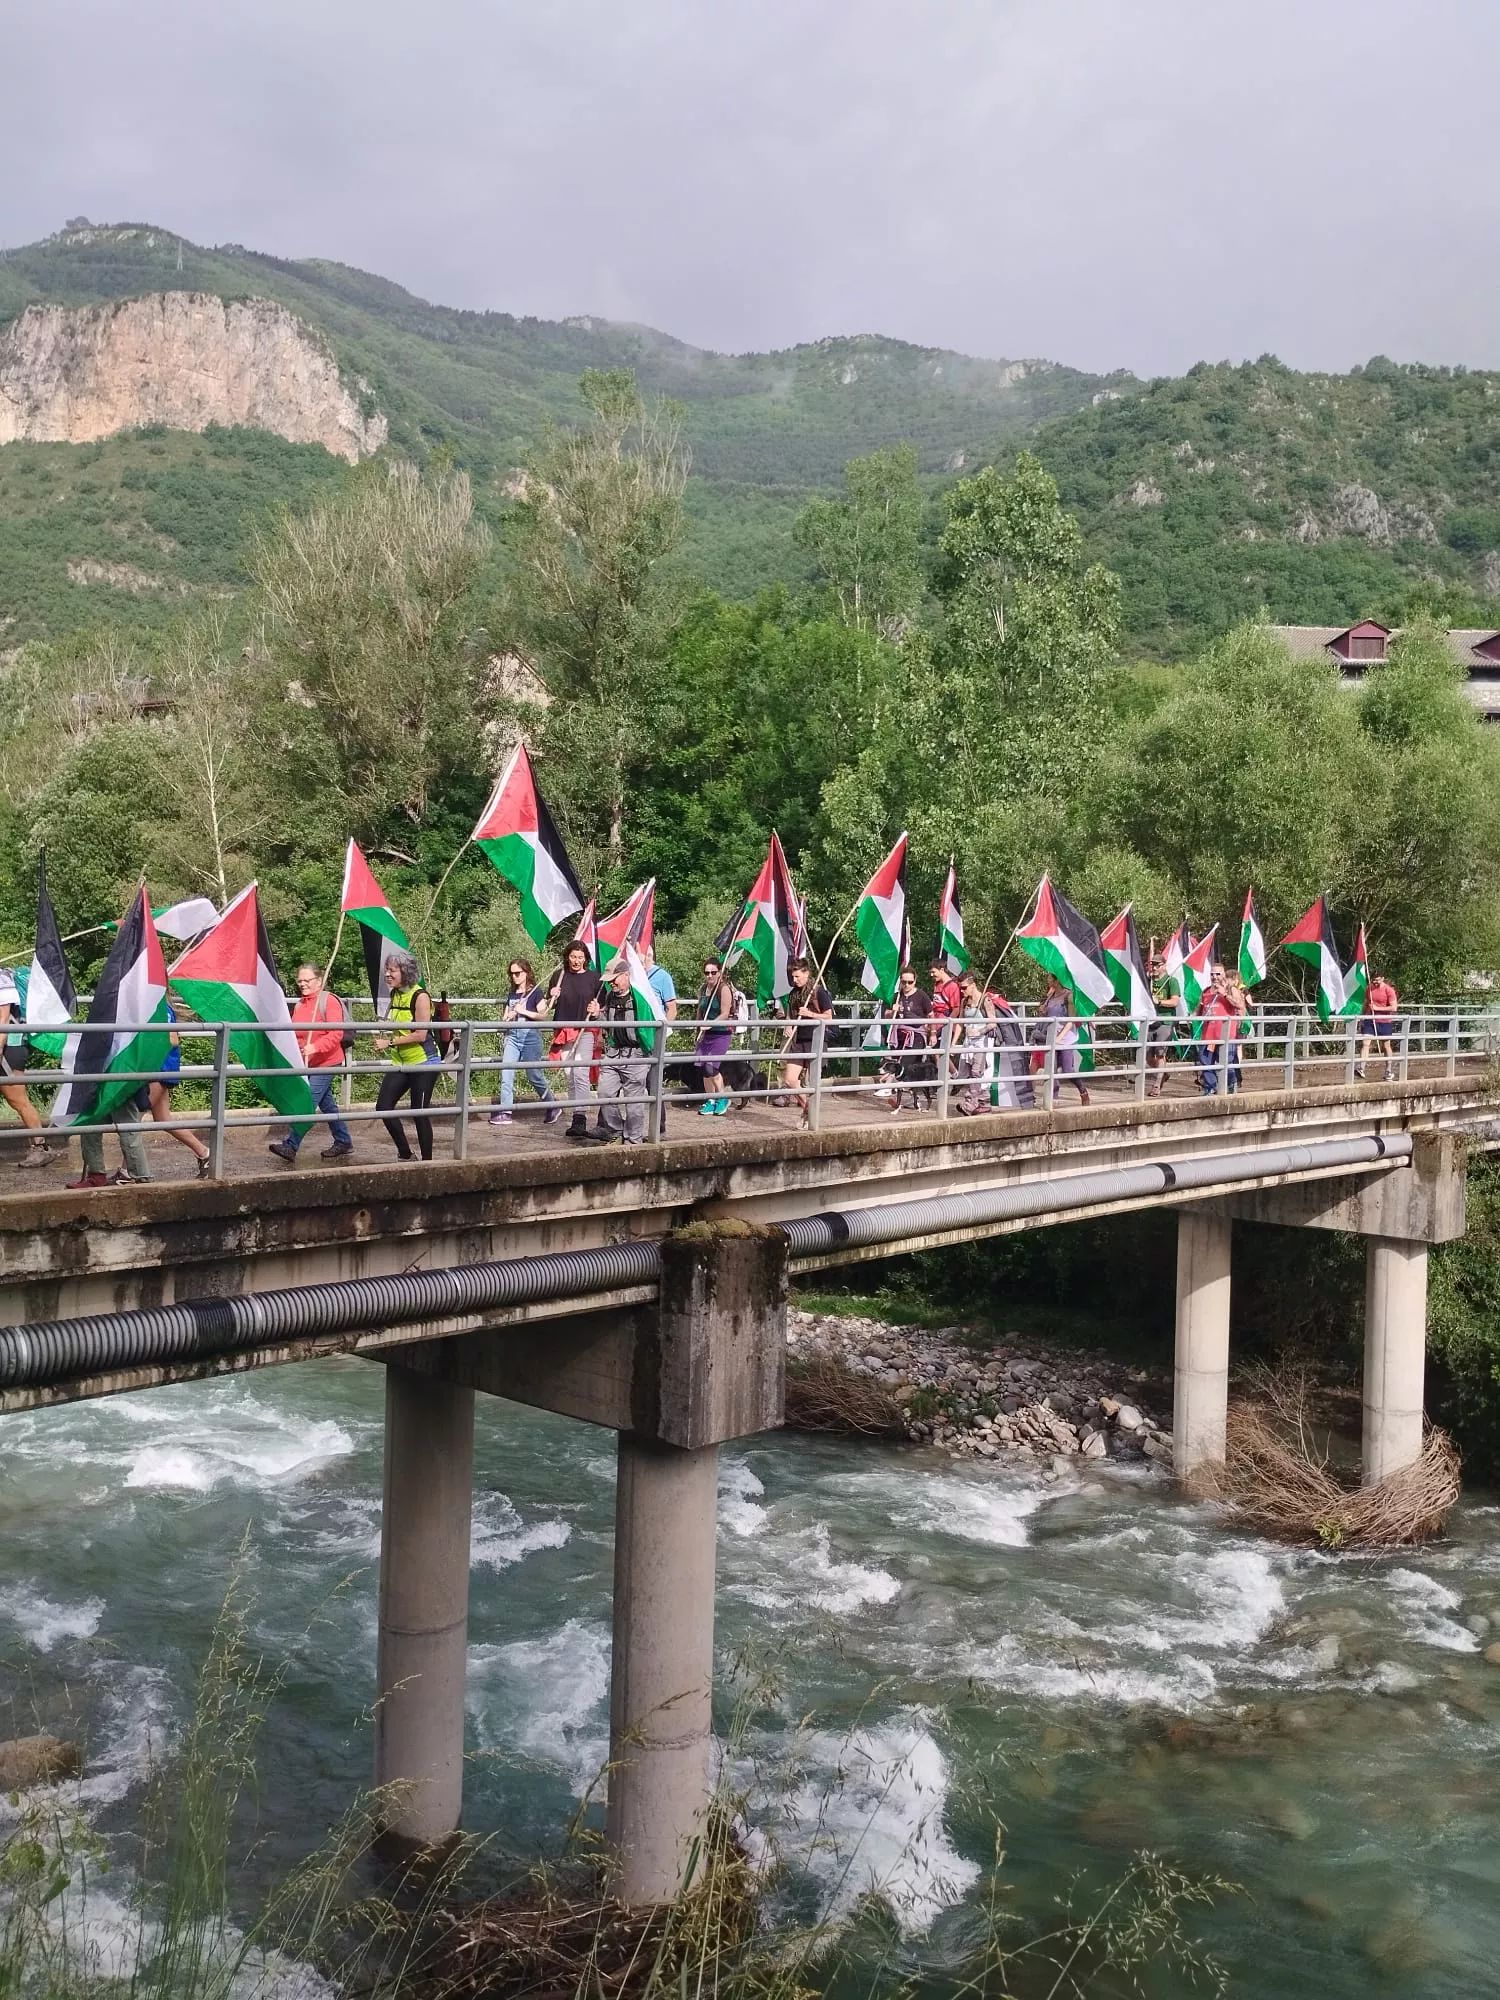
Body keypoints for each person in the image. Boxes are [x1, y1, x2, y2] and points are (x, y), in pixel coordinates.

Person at [270, 965, 354, 1164]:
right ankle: (343, 1140)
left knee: (307, 1102)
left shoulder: (329, 1001)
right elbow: (294, 1034)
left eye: (307, 980)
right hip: (307, 1063)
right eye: (300, 981)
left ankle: (291, 1145)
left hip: (326, 1061)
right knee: (328, 1106)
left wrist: (315, 1047)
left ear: (319, 980)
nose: (303, 984)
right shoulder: (300, 1005)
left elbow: (336, 1033)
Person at [373, 953, 438, 1160]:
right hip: (401, 1062)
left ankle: (428, 1163)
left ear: (405, 972)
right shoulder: (395, 994)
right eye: (387, 970)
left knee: (418, 1112)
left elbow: (421, 1034)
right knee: (383, 1107)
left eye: (392, 970)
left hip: (423, 1062)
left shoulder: (420, 997)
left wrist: (389, 1042)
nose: (387, 974)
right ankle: (405, 1153)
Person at [142, 1000, 212, 1175]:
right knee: (163, 1119)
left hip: (160, 1068)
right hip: (159, 1068)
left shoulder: (160, 1008)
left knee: (133, 1120)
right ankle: (204, 1153)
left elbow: (172, 1039)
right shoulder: (155, 1005)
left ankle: (130, 1171)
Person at [588, 958, 653, 1145]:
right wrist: (596, 1014)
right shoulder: (610, 996)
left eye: (614, 978)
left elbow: (649, 1027)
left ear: (626, 975)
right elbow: (607, 1022)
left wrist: (648, 1053)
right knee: (605, 1094)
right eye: (609, 980)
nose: (611, 983)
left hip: (636, 1054)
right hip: (614, 1053)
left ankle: (633, 1140)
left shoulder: (638, 998)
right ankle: (618, 1130)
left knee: (634, 1104)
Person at [490, 958, 561, 1126]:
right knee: (506, 1072)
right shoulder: (512, 994)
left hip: (530, 1037)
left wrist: (524, 1011)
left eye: (517, 973)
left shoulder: (535, 992)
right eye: (511, 974)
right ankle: (505, 1111)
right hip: (513, 1037)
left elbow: (543, 1015)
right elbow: (506, 1016)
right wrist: (507, 1018)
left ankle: (552, 1104)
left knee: (534, 1075)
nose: (514, 976)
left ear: (526, 973)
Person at [549, 941, 603, 1140]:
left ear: (586, 959)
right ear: (567, 957)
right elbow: (548, 1006)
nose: (576, 961)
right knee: (569, 1074)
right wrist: (551, 996)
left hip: (585, 1029)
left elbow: (601, 1006)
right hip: (563, 1029)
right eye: (573, 957)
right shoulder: (559, 976)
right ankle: (575, 1116)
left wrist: (597, 1010)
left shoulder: (593, 978)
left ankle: (580, 1117)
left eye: (580, 957)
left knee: (581, 1072)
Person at [0, 972, 51, 1170]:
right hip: (8, 1049)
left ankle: (41, 1147)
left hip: (8, 1050)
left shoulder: (3, 981)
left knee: (18, 1100)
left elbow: (3, 1021)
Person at [781, 957, 834, 1125]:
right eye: (793, 976)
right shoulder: (793, 993)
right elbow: (791, 1014)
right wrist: (789, 1025)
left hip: (815, 1040)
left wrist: (810, 1014)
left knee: (812, 1083)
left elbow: (829, 1017)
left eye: (797, 976)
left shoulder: (819, 992)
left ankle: (809, 1117)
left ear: (806, 973)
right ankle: (808, 1110)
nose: (794, 980)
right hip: (799, 1040)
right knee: (790, 1079)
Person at [880, 969, 934, 1113]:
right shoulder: (897, 996)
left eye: (910, 982)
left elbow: (931, 1015)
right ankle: (913, 1099)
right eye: (904, 982)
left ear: (915, 981)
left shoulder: (922, 996)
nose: (906, 985)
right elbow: (886, 1015)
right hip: (899, 1036)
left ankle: (890, 1087)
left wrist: (933, 1033)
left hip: (916, 1035)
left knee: (904, 1066)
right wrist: (893, 1011)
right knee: (905, 1068)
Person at [1194, 965, 1248, 1095]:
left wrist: (1224, 994)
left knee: (1227, 1062)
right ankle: (1210, 1087)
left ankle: (1231, 1083)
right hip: (1209, 1034)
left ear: (1223, 974)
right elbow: (1198, 1011)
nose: (1214, 977)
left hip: (1226, 1034)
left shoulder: (1231, 989)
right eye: (1212, 974)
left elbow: (1240, 1005)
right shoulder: (1206, 991)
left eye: (1218, 974)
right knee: (1206, 1062)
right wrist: (1192, 1018)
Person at [1037, 975, 1090, 1106]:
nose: (1048, 980)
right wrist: (1042, 1010)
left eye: (1050, 978)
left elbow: (1071, 1020)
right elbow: (1047, 1014)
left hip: (1066, 1038)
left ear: (1057, 980)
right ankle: (1053, 1098)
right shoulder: (1051, 995)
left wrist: (1059, 1038)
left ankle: (1083, 1091)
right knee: (1051, 1069)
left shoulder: (1069, 996)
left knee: (1068, 1070)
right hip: (1051, 1036)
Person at [641, 946, 678, 1130]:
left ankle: (659, 1124)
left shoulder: (662, 977)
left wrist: (663, 1031)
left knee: (652, 1080)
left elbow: (672, 1008)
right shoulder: (632, 974)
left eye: (647, 954)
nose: (644, 958)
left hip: (654, 1036)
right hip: (634, 1037)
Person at [694, 956, 736, 1117]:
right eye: (707, 972)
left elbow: (725, 1013)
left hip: (721, 1033)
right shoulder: (703, 988)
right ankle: (710, 1100)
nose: (710, 975)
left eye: (713, 972)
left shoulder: (723, 989)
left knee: (712, 1066)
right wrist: (698, 1027)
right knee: (703, 1067)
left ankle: (722, 1097)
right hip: (706, 1033)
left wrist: (711, 1024)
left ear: (719, 972)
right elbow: (700, 1010)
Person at [954, 972, 998, 1116]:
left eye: (964, 988)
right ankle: (984, 1103)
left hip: (982, 1041)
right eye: (961, 988)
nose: (962, 991)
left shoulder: (985, 1000)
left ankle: (970, 1103)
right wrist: (954, 1043)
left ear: (973, 985)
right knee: (966, 1072)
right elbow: (960, 1023)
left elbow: (993, 1023)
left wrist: (979, 1031)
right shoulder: (964, 1002)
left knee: (976, 1072)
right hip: (969, 1042)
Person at [1357, 967, 1400, 1081]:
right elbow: (1366, 1003)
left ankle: (1388, 1070)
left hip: (1384, 1021)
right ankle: (1361, 1068)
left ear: (1382, 979)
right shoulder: (1369, 989)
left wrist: (1378, 1008)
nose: (1375, 982)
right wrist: (1362, 1016)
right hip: (1370, 1019)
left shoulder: (1389, 990)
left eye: (1377, 980)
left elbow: (1394, 1007)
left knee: (1386, 1046)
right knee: (1365, 1043)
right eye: (1373, 980)